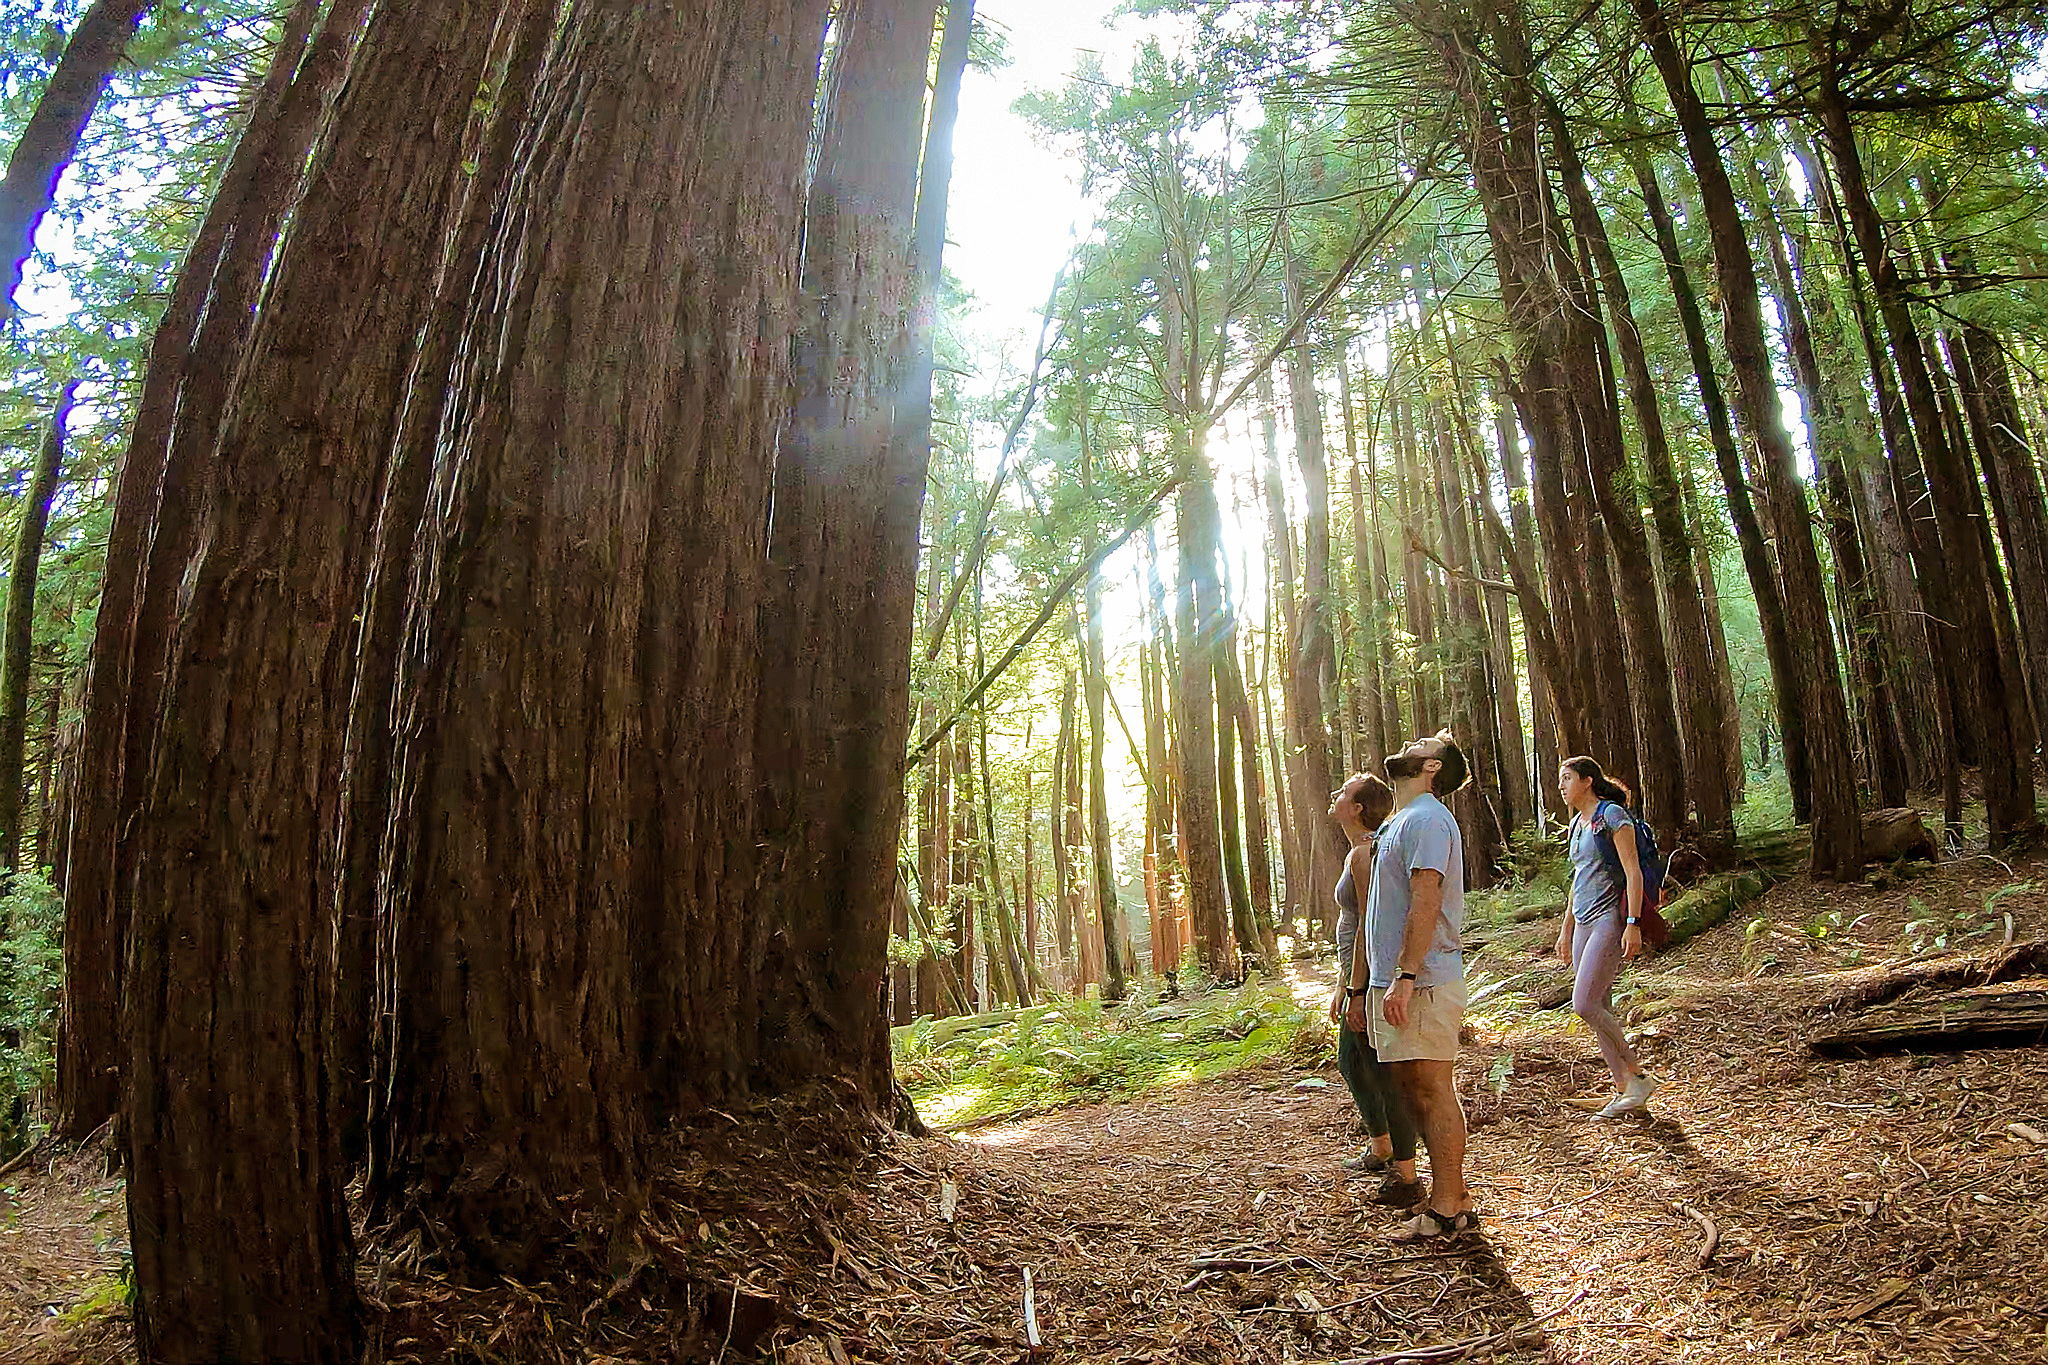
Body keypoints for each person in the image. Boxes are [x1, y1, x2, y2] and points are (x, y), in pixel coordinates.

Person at [1348, 730, 1476, 1241]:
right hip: (1396, 982)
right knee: (1411, 1089)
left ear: (1432, 767)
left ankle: (1446, 1209)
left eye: (1424, 745)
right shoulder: (1400, 821)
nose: (1412, 744)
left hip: (1422, 981)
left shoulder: (1427, 819)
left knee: (1430, 1087)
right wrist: (1368, 985)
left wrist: (1405, 976)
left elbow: (1427, 898)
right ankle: (1453, 1197)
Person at [1327, 773, 1422, 1206]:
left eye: (1343, 794)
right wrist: (1341, 983)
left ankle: (1405, 1171)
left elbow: (1369, 925)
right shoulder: (1358, 851)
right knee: (1353, 1060)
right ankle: (1383, 1147)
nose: (1335, 796)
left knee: (1381, 1070)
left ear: (1358, 808)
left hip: (1369, 977)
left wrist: (1358, 989)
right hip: (1356, 974)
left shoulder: (1365, 855)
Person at [1556, 755, 1662, 1118]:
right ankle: (1623, 1089)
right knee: (1599, 1004)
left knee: (1584, 1004)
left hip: (1608, 919)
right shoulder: (1576, 824)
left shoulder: (1612, 816)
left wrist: (1633, 922)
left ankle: (1638, 1075)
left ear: (1587, 781)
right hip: (1583, 921)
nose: (1562, 786)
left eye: (1567, 778)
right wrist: (1566, 928)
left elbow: (1632, 872)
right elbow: (1578, 879)